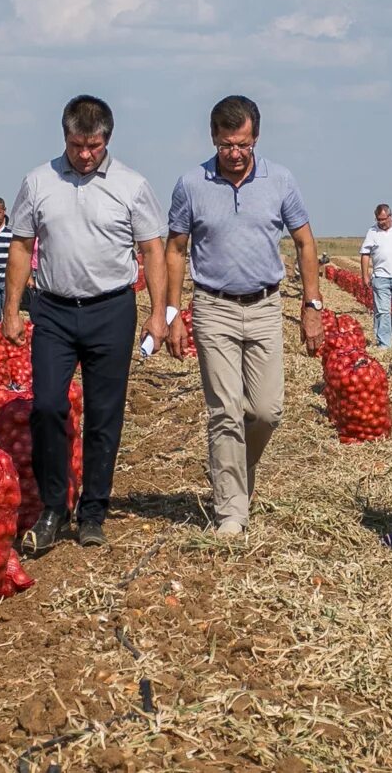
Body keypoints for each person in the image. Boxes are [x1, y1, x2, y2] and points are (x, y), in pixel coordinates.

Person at [3, 94, 168, 555]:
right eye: (77, 145)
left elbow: (152, 250)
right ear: (65, 137)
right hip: (53, 309)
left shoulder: (132, 186)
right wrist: (11, 309)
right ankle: (54, 506)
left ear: (107, 140)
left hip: (111, 309)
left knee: (104, 415)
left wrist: (158, 313)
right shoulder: (38, 182)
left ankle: (94, 509)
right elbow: (21, 246)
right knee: (49, 407)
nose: (85, 154)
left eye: (94, 145)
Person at [165, 95, 324, 537]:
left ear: (256, 138)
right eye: (226, 145)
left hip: (265, 306)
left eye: (244, 145)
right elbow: (175, 249)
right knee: (225, 412)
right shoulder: (190, 184)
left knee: (267, 410)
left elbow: (305, 242)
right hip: (213, 306)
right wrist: (173, 314)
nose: (235, 155)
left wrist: (311, 305)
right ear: (213, 138)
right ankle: (232, 511)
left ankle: (230, 470)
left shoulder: (281, 181)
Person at [360, 204, 392, 348]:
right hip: (380, 277)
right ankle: (384, 344)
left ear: (390, 215)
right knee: (382, 312)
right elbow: (365, 254)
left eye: (384, 219)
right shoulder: (372, 232)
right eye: (379, 219)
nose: (381, 222)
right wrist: (365, 275)